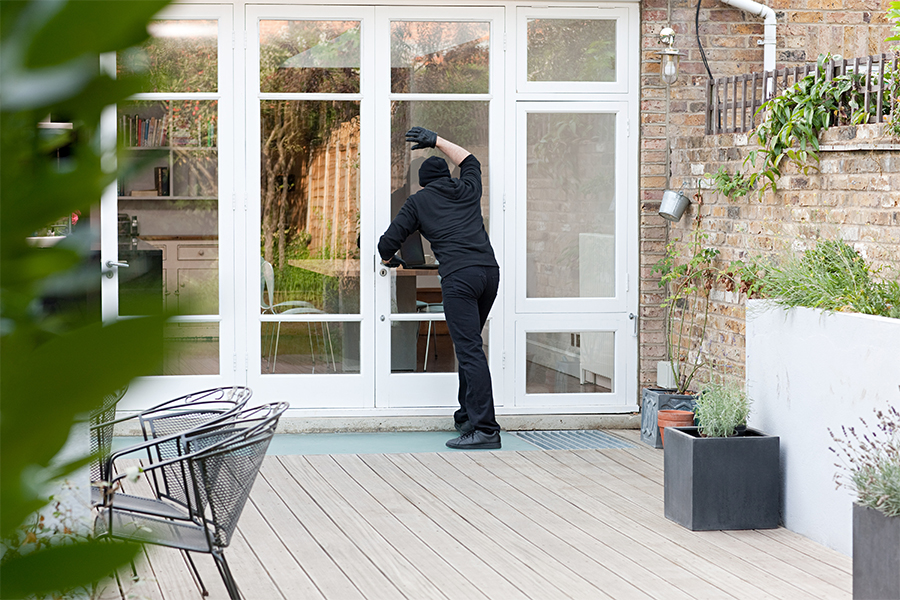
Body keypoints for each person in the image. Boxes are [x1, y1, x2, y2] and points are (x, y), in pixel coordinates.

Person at [378, 127, 501, 450]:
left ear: (421, 182)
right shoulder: (467, 188)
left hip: (460, 279)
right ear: (447, 175)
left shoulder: (418, 202)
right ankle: (467, 417)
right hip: (488, 274)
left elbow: (386, 243)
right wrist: (436, 140)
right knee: (470, 347)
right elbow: (470, 159)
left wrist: (390, 259)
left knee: (470, 351)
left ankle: (486, 430)